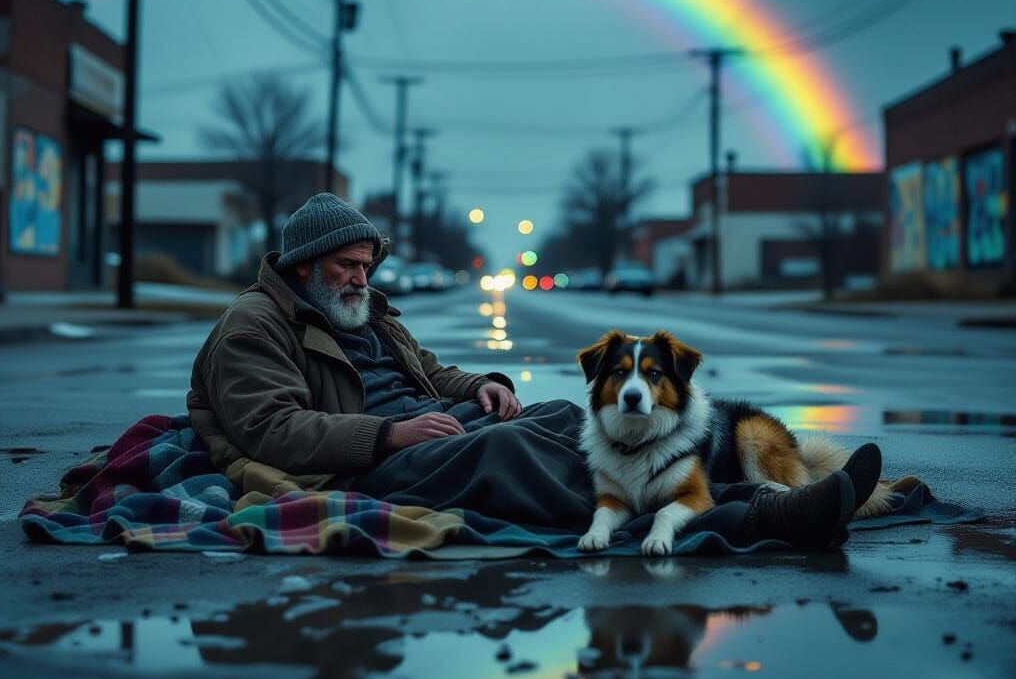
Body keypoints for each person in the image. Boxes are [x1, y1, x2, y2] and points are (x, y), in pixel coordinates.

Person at [187, 193, 881, 550]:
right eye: (347, 266)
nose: (361, 278)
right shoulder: (253, 326)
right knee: (510, 452)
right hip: (362, 462)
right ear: (303, 265)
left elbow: (429, 370)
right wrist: (386, 437)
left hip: (422, 428)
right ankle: (759, 516)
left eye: (368, 265)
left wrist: (483, 387)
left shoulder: (365, 312)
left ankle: (724, 482)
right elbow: (270, 429)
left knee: (558, 419)